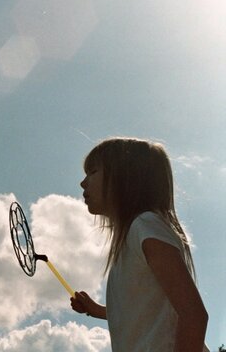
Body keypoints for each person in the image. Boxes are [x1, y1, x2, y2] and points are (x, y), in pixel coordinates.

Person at [71, 137, 209, 352]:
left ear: (126, 178)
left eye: (93, 171)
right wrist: (97, 310)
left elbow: (194, 315)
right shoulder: (134, 235)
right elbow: (147, 310)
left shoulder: (145, 225)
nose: (83, 182)